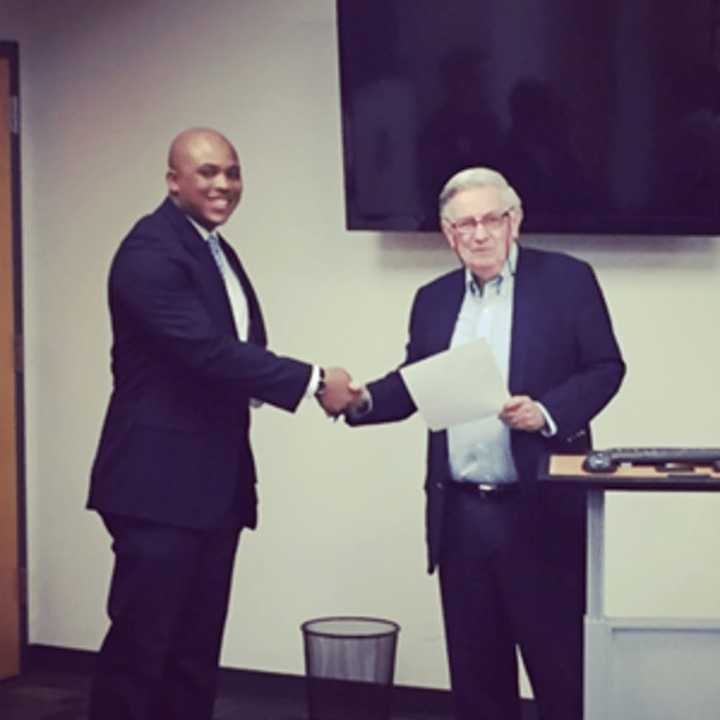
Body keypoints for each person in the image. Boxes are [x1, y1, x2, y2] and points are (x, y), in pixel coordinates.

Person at [87, 127, 358, 720]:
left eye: (232, 172)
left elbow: (231, 353)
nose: (224, 185)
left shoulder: (210, 246)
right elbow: (205, 350)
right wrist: (315, 381)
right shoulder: (149, 252)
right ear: (173, 181)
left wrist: (271, 381)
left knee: (194, 655)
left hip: (212, 488)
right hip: (156, 490)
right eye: (207, 172)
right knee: (141, 654)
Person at [346, 167, 625, 720]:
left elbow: (605, 367)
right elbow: (416, 380)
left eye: (490, 219)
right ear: (448, 235)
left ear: (513, 221)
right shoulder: (432, 299)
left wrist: (546, 413)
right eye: (463, 224)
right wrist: (361, 401)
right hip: (462, 519)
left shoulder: (568, 280)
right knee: (477, 685)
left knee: (561, 677)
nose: (478, 234)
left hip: (538, 511)